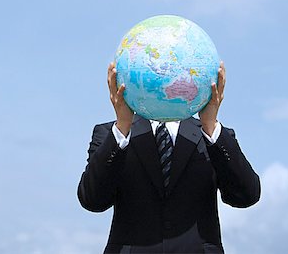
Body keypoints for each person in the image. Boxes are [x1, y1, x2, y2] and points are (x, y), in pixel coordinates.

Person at [77, 61, 261, 254]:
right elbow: (92, 200)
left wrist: (211, 127)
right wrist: (123, 126)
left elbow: (246, 196)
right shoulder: (111, 134)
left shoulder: (213, 137)